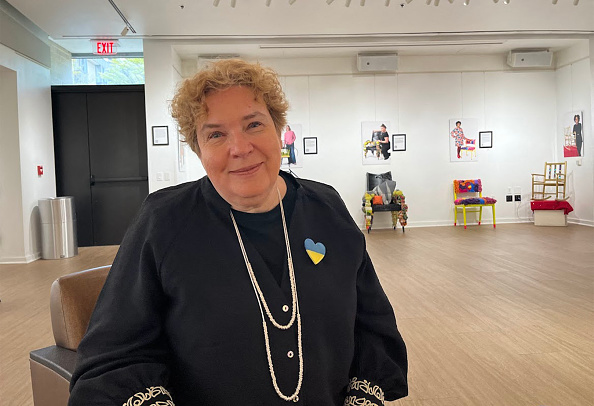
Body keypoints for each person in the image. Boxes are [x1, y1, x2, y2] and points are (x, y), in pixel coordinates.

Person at [68, 59, 408, 406]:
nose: (240, 148)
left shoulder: (328, 208)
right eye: (215, 134)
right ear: (198, 149)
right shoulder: (163, 221)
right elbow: (113, 358)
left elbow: (373, 326)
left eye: (253, 124)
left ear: (279, 130)